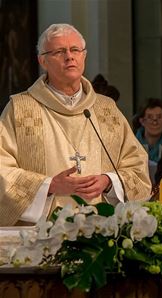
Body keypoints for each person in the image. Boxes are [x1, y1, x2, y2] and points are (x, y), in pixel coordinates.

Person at [0, 23, 151, 226]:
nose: (69, 57)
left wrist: (108, 181)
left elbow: (137, 165)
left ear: (84, 56)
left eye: (75, 50)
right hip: (40, 235)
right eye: (60, 51)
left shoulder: (106, 109)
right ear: (42, 61)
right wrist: (49, 185)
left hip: (100, 232)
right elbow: (2, 169)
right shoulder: (20, 108)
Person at [135, 98, 162, 185]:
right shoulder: (131, 145)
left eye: (159, 117)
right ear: (142, 121)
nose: (155, 122)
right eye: (150, 117)